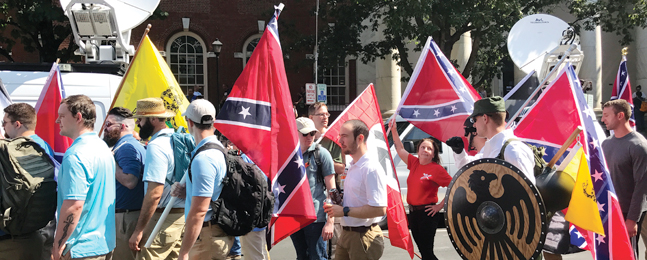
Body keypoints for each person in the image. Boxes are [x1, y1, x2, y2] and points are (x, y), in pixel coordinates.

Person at [52, 95, 116, 260]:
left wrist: (58, 245)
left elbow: (74, 205)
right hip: (104, 243)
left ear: (78, 117)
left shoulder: (76, 154)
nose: (57, 121)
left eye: (62, 116)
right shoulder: (102, 147)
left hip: (80, 248)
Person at [173, 99, 233, 260]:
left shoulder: (204, 158)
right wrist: (188, 192)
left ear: (190, 122)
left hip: (206, 236)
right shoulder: (218, 150)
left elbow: (199, 212)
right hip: (213, 233)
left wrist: (184, 251)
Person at [128, 97, 185, 260]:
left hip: (162, 219)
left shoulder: (156, 146)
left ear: (153, 119)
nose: (138, 123)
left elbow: (154, 194)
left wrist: (139, 230)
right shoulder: (176, 139)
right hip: (180, 217)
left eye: (140, 119)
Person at [388, 118, 451, 260]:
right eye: (423, 147)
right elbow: (399, 148)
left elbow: (454, 186)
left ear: (433, 154)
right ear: (418, 149)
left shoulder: (437, 169)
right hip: (413, 214)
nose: (425, 150)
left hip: (427, 215)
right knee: (423, 252)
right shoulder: (414, 162)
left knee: (427, 252)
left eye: (429, 149)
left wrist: (439, 206)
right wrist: (393, 130)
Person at [324, 119, 387, 260]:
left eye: (344, 136)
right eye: (340, 135)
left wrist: (344, 211)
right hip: (346, 234)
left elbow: (380, 209)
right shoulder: (353, 166)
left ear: (360, 138)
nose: (340, 140)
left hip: (363, 236)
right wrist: (337, 204)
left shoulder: (371, 168)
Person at [0, 103, 55, 260]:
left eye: (4, 123)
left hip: (17, 230)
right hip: (42, 223)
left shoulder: (11, 151)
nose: (3, 127)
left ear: (17, 124)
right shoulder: (43, 147)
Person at [446, 96, 536, 183]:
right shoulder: (491, 147)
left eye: (475, 120)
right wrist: (459, 152)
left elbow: (529, 193)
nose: (474, 125)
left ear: (485, 118)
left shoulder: (513, 150)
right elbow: (469, 168)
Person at [601, 99, 647, 259]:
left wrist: (632, 220)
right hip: (609, 210)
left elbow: (641, 187)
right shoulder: (606, 144)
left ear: (620, 115)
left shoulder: (638, 146)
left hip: (628, 213)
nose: (602, 119)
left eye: (606, 115)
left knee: (627, 255)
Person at [103, 107, 146, 260]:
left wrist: (110, 159)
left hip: (126, 218)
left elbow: (130, 181)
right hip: (125, 216)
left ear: (123, 126)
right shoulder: (126, 145)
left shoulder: (127, 147)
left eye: (109, 124)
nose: (105, 128)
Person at [291, 117, 336, 260]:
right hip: (295, 216)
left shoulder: (321, 154)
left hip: (316, 217)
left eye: (312, 133)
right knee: (301, 256)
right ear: (295, 133)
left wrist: (330, 222)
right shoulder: (289, 155)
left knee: (317, 256)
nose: (310, 137)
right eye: (305, 133)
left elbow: (332, 190)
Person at [308, 102, 344, 258]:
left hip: (328, 197)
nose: (325, 117)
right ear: (311, 117)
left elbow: (342, 168)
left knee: (330, 247)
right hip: (308, 198)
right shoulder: (305, 138)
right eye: (321, 114)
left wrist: (322, 158)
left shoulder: (332, 139)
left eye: (327, 114)